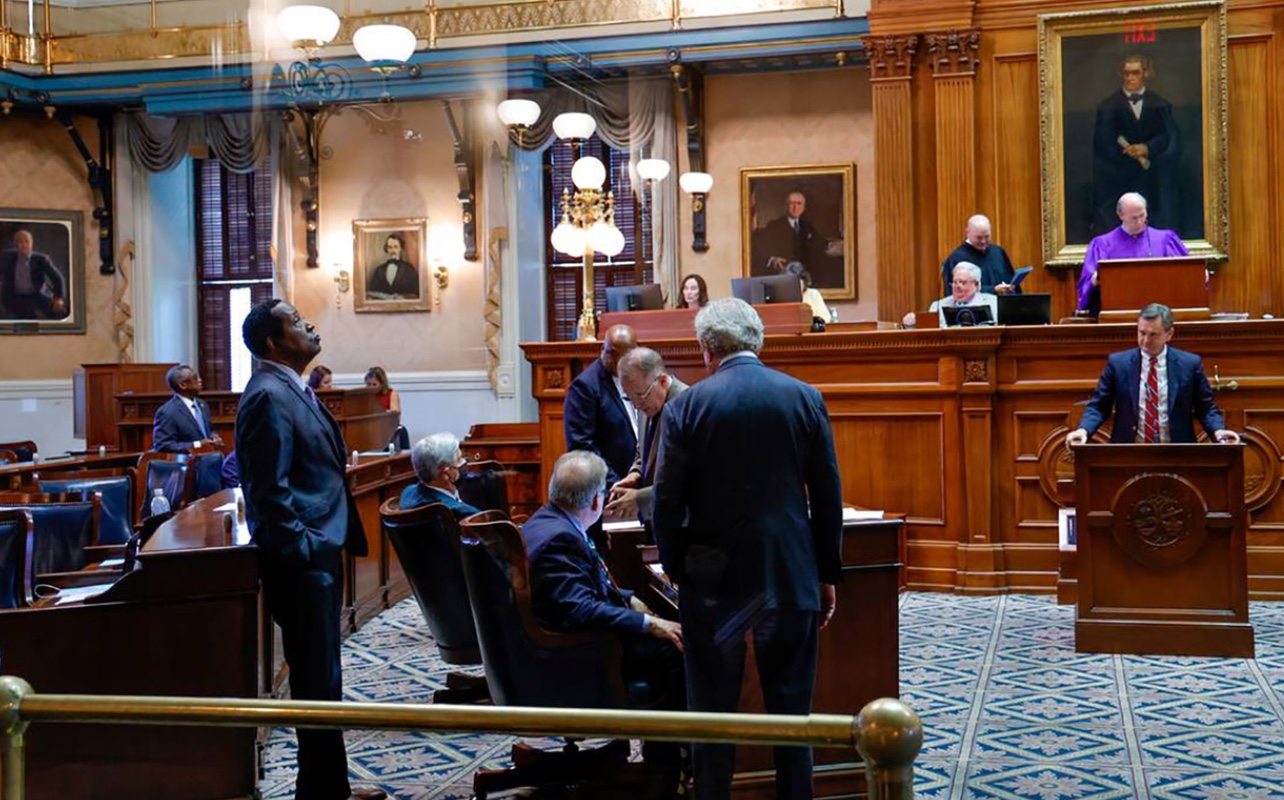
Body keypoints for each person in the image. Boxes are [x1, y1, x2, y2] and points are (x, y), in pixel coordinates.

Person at [651, 298, 842, 800]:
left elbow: (665, 504)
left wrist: (676, 570)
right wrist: (825, 574)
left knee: (712, 716)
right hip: (788, 574)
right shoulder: (804, 397)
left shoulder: (686, 406)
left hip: (714, 588)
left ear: (707, 348)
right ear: (758, 341)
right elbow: (826, 497)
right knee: (793, 714)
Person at [235, 299, 384, 800]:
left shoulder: (290, 388)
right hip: (303, 564)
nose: (310, 325)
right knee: (317, 683)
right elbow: (267, 490)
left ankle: (326, 789)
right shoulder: (268, 396)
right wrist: (303, 551)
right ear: (274, 343)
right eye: (297, 323)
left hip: (318, 555)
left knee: (324, 681)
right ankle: (324, 793)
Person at [524, 450, 685, 765]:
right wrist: (647, 623)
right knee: (680, 649)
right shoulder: (561, 540)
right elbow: (579, 609)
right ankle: (666, 762)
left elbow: (579, 591)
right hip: (578, 656)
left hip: (559, 645)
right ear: (596, 502)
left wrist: (627, 597)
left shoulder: (547, 522)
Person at [1066, 303, 1239, 446]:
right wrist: (1084, 430)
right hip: (1128, 453)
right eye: (1141, 333)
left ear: (1169, 334)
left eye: (1153, 335)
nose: (1146, 340)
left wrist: (1219, 432)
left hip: (1178, 454)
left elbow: (1206, 408)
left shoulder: (1189, 364)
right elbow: (1099, 406)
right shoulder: (1118, 364)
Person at [1091, 55, 1181, 236]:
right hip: (1118, 182)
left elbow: (1168, 138)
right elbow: (1102, 143)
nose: (1130, 78)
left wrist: (1147, 148)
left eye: (1135, 73)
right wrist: (1127, 152)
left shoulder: (1160, 104)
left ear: (1145, 74)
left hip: (1152, 182)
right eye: (1126, 73)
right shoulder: (1107, 107)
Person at [605, 348, 687, 524]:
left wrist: (640, 498)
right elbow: (644, 450)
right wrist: (635, 475)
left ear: (662, 381)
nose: (635, 405)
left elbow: (689, 478)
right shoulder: (646, 402)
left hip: (683, 523)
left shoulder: (689, 406)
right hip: (656, 520)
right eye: (629, 398)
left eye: (640, 396)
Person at [1077, 192, 1188, 316]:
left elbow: (1186, 275)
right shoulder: (1102, 245)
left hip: (1159, 316)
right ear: (1120, 215)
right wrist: (1096, 279)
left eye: (1142, 215)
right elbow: (1087, 285)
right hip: (1117, 314)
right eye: (1134, 218)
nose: (1140, 222)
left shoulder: (1165, 239)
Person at [563, 324, 640, 487]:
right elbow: (582, 449)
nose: (614, 361)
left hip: (637, 481)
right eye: (610, 353)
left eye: (622, 356)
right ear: (602, 348)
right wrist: (616, 485)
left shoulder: (636, 376)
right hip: (608, 489)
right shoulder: (585, 387)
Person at [752, 190, 834, 284]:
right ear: (786, 206)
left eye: (799, 203)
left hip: (806, 273)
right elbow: (761, 247)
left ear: (804, 207)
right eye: (792, 203)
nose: (795, 207)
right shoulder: (774, 225)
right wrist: (773, 259)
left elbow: (821, 242)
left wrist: (835, 245)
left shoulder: (806, 226)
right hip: (784, 272)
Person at [400, 432, 480, 518]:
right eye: (459, 460)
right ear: (446, 473)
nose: (464, 462)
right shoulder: (464, 512)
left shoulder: (407, 493)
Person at [902, 262, 998, 329]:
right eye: (955, 282)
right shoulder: (938, 306)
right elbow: (927, 334)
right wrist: (911, 324)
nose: (957, 286)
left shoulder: (993, 303)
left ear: (976, 285)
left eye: (962, 283)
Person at [940, 215, 1018, 297]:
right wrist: (993, 290)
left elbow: (1010, 281)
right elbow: (956, 292)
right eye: (979, 238)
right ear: (968, 232)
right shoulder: (956, 259)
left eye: (987, 236)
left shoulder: (998, 252)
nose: (983, 241)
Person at [152, 364, 222, 453]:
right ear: (183, 385)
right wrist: (197, 444)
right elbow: (163, 445)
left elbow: (210, 429)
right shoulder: (167, 412)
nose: (200, 381)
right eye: (195, 378)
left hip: (209, 458)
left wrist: (214, 436)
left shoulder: (202, 404)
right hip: (185, 463)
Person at [0, 229, 68, 320]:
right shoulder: (6, 257)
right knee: (22, 321)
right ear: (15, 245)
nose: (24, 245)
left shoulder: (41, 259)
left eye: (27, 242)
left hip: (38, 293)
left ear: (32, 243)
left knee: (60, 313)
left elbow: (57, 278)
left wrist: (58, 298)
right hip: (15, 296)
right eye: (20, 242)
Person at [366, 234, 419, 300]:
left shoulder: (409, 270)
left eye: (395, 247)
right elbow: (372, 293)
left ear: (401, 248)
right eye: (390, 247)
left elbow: (416, 294)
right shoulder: (379, 270)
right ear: (387, 249)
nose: (393, 250)